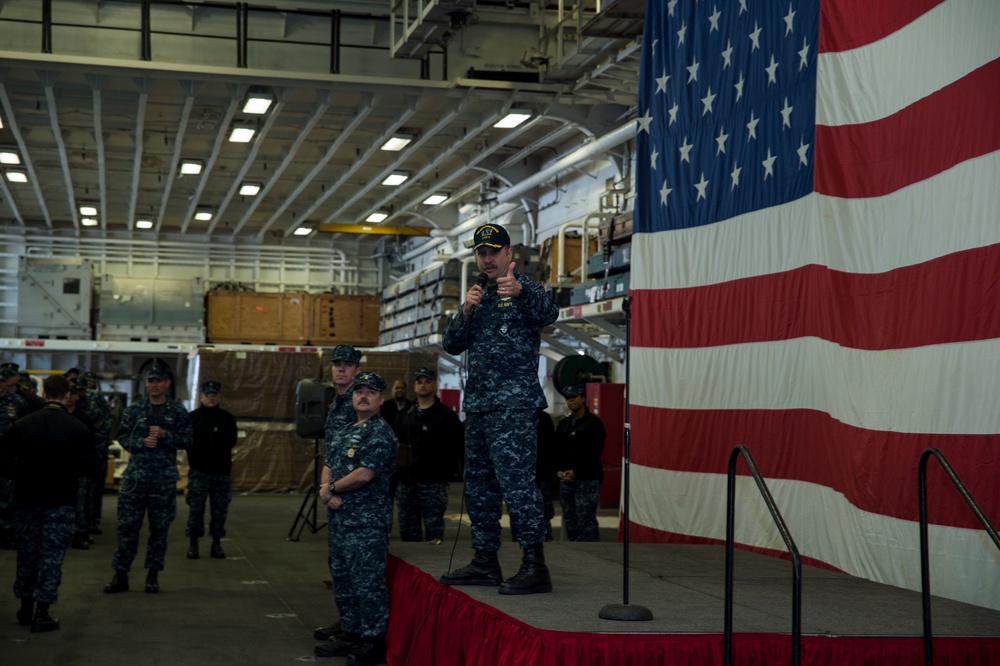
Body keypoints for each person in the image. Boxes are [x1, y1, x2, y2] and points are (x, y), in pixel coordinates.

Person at [439, 222, 560, 595]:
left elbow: (549, 314)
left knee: (518, 486)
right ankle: (484, 560)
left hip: (513, 407)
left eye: (494, 251)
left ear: (510, 253)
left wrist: (522, 292)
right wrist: (465, 312)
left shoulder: (525, 289)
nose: (487, 258)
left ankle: (534, 564)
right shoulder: (479, 295)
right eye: (482, 252)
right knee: (479, 488)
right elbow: (452, 344)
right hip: (478, 406)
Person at [314, 371, 398, 666]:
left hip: (366, 523)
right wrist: (327, 490)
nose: (363, 396)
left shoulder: (380, 433)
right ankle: (350, 631)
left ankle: (373, 640)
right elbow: (329, 463)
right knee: (343, 578)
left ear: (380, 399)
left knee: (368, 583)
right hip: (340, 518)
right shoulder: (345, 429)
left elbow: (365, 474)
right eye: (359, 391)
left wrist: (332, 489)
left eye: (370, 392)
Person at [0, 374, 93, 632]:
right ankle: (42, 612)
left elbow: (4, 463)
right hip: (60, 501)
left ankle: (25, 607)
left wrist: (25, 472)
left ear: (43, 394)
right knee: (51, 557)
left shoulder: (21, 425)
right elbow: (88, 466)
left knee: (28, 554)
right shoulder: (77, 428)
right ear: (67, 396)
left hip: (27, 500)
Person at [104, 363, 192, 595]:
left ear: (167, 383)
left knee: (159, 528)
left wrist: (166, 435)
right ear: (146, 383)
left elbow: (188, 440)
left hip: (162, 479)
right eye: (150, 381)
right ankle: (120, 574)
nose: (154, 385)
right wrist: (140, 443)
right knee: (127, 527)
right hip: (136, 478)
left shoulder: (177, 411)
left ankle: (153, 575)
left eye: (159, 380)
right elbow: (122, 437)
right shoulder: (134, 411)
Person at [314, 344, 362, 641]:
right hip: (335, 495)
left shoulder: (360, 401)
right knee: (339, 567)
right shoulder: (336, 403)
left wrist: (332, 488)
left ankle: (359, 631)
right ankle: (347, 622)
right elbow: (331, 452)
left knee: (358, 570)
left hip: (355, 497)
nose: (341, 368)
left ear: (357, 368)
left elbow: (364, 458)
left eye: (348, 364)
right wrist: (325, 487)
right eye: (337, 364)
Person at [394, 367, 464, 544]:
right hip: (407, 482)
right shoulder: (405, 415)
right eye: (419, 382)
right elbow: (395, 444)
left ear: (434, 385)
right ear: (415, 387)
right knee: (408, 531)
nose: (423, 385)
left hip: (433, 482)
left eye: (427, 381)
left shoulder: (446, 416)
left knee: (434, 531)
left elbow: (459, 446)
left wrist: (450, 472)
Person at [185, 380, 239, 560]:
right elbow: (187, 442)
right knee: (196, 508)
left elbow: (231, 441)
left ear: (219, 397)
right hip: (199, 470)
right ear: (201, 397)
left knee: (219, 509)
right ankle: (193, 542)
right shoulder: (192, 418)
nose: (210, 397)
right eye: (207, 395)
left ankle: (216, 543)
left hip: (220, 471)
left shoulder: (227, 419)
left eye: (213, 394)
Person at [555, 384, 606, 542]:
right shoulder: (564, 424)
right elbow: (557, 450)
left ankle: (593, 555)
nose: (571, 401)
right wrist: (558, 471)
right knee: (570, 521)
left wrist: (575, 471)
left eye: (574, 397)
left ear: (583, 399)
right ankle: (575, 555)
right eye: (568, 399)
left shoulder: (594, 424)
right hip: (566, 480)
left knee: (586, 520)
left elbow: (593, 453)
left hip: (587, 479)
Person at [79, 371, 114, 537]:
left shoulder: (96, 399)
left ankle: (92, 519)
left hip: (96, 450)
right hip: (87, 451)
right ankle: (87, 520)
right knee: (90, 488)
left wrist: (97, 449)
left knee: (95, 487)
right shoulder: (76, 399)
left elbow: (105, 424)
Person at [0, 362, 30, 550]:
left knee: (7, 500)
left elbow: (25, 431)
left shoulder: (17, 403)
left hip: (7, 459)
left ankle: (6, 533)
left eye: (3, 381)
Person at [66, 378, 97, 550]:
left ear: (78, 396)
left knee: (80, 501)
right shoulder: (58, 416)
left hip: (77, 467)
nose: (69, 397)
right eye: (67, 394)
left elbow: (89, 444)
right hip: (59, 468)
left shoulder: (84, 418)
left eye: (73, 394)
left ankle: (80, 532)